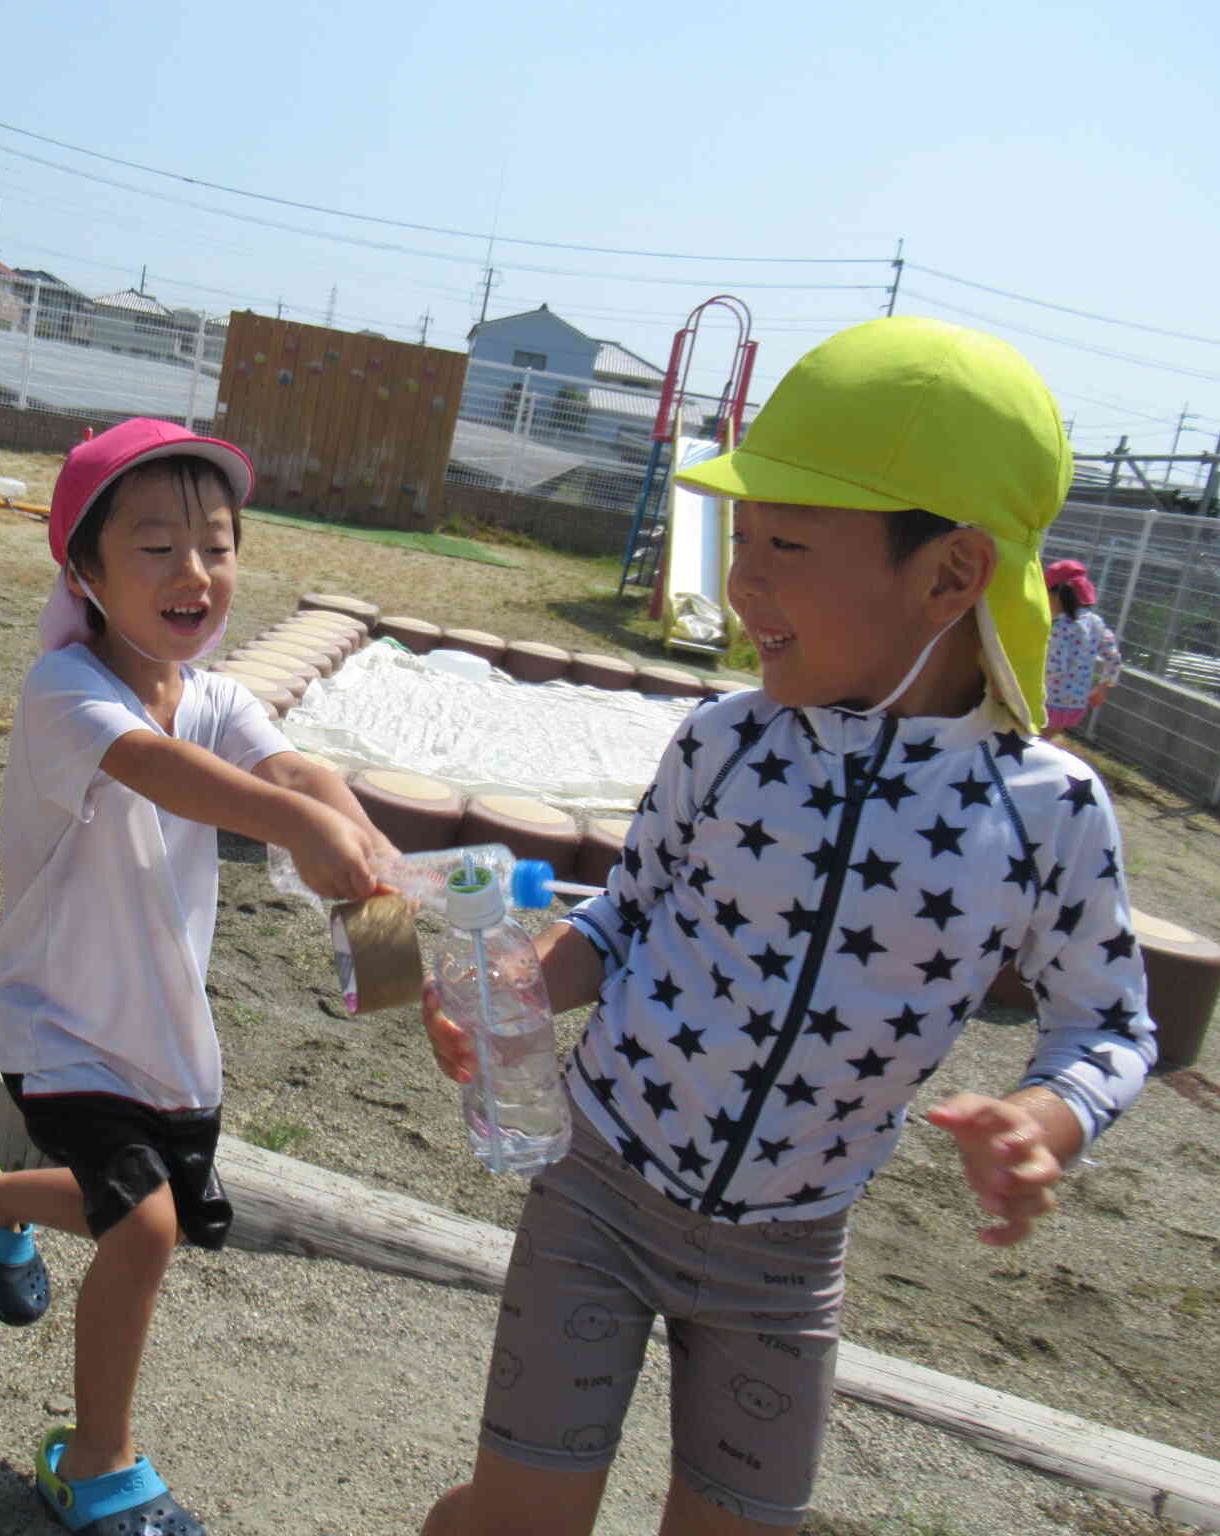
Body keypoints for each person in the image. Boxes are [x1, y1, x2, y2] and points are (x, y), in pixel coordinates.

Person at [418, 317, 1157, 1536]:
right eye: (739, 537)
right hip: (597, 1186)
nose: (740, 581)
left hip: (785, 1259)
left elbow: (1110, 1021)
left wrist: (1046, 1115)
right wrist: (519, 978)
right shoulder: (725, 742)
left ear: (949, 575)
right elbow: (626, 920)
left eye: (786, 544)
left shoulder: (1048, 815)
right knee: (520, 1515)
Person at [0, 417, 396, 1535]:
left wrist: (369, 854)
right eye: (154, 546)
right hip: (57, 1020)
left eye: (217, 544)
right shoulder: (64, 689)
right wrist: (295, 824)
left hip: (161, 1028)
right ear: (85, 572)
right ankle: (95, 1466)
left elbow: (285, 762)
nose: (193, 572)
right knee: (140, 1226)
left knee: (147, 1213)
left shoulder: (213, 692)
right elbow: (164, 773)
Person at [1043, 558, 1122, 741]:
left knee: (1027, 743)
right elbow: (1113, 657)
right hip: (1075, 705)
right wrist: (1103, 686)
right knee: (1043, 741)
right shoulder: (1095, 622)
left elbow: (1055, 667)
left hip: (1047, 702)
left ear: (1057, 595)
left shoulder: (1058, 625)